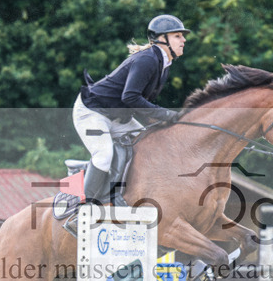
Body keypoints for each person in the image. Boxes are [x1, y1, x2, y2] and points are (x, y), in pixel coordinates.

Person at [73, 14, 189, 205]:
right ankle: (83, 206)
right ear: (162, 39)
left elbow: (141, 103)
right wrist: (166, 114)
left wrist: (165, 123)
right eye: (177, 36)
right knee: (103, 156)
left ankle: (118, 192)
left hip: (119, 117)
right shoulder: (147, 60)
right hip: (92, 112)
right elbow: (131, 97)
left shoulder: (163, 64)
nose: (183, 40)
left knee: (149, 148)